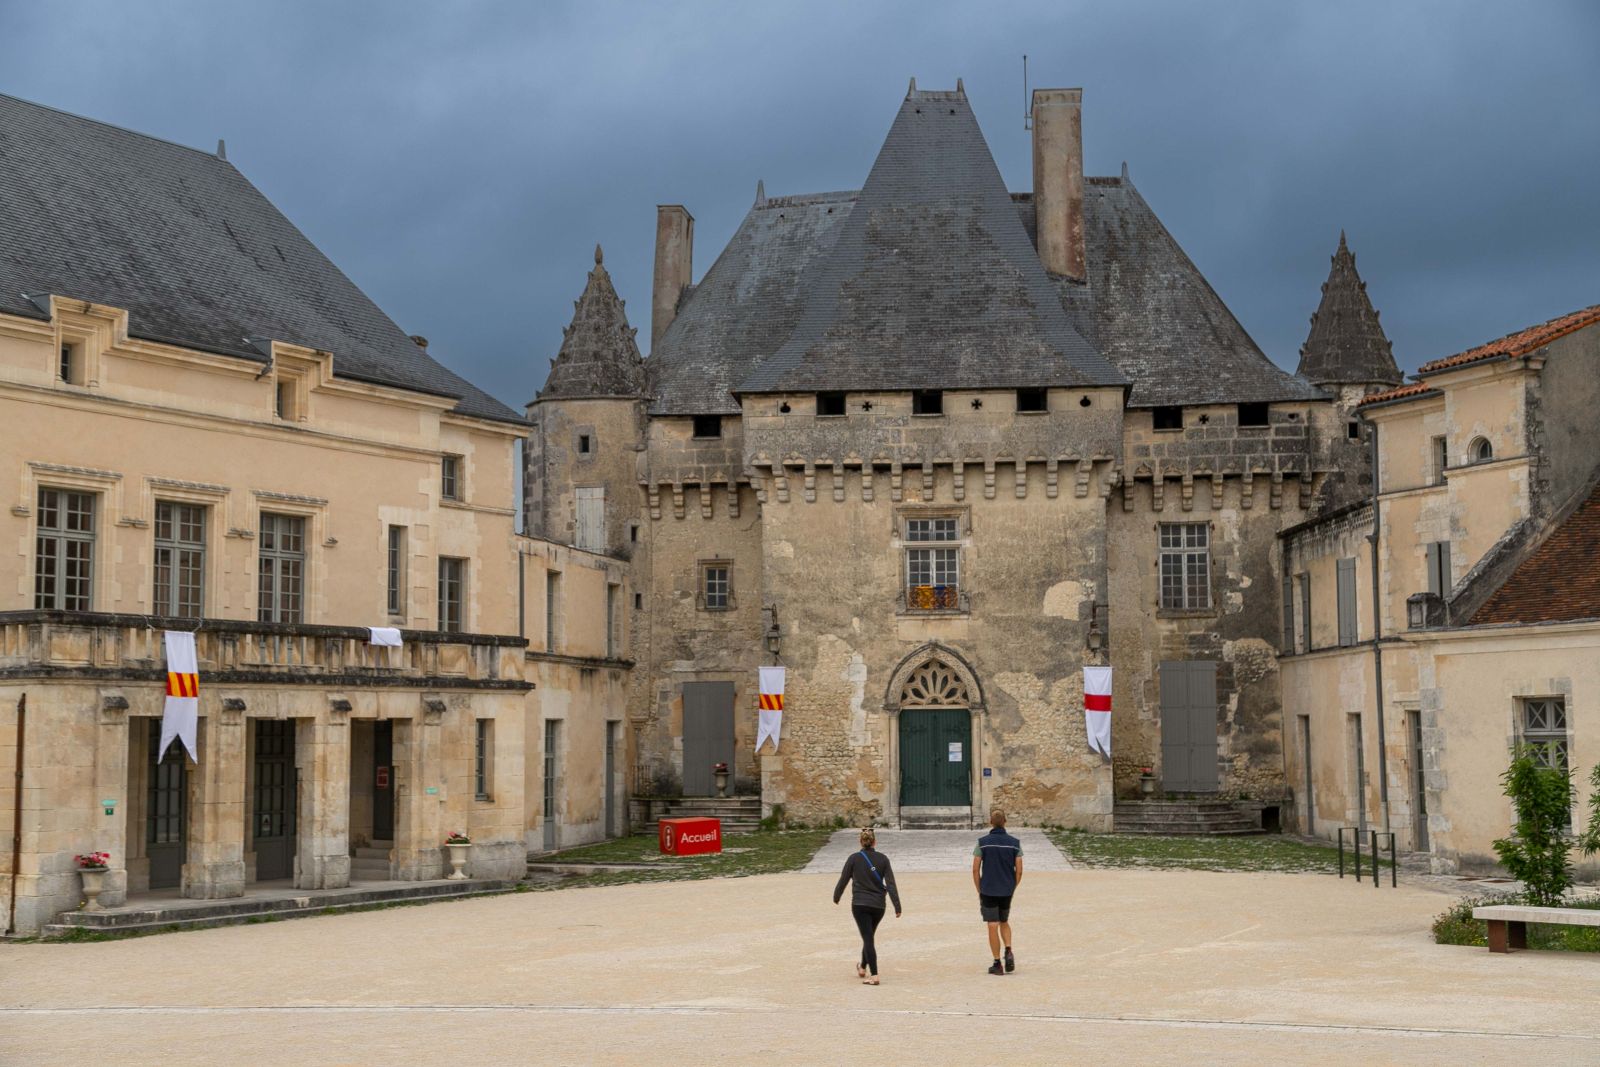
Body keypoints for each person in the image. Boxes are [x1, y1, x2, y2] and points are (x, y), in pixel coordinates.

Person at [832, 827, 902, 985]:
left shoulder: (853, 858)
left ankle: (875, 975)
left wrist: (837, 896)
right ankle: (862, 967)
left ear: (860, 842)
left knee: (868, 937)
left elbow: (843, 880)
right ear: (875, 842)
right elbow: (891, 884)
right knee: (868, 935)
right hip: (878, 906)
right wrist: (897, 906)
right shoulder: (883, 859)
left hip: (859, 904)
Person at [972, 808, 1023, 975]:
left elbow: (975, 869)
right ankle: (1008, 949)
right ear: (1005, 821)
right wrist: (1012, 886)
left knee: (992, 925)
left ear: (990, 822)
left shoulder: (982, 842)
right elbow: (1019, 870)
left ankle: (997, 963)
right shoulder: (1015, 843)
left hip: (988, 889)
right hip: (1006, 889)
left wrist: (980, 888)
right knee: (1004, 921)